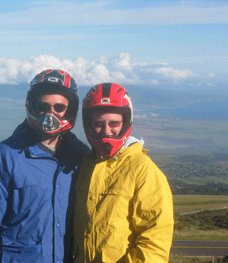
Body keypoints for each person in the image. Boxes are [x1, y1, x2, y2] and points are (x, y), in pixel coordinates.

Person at [0, 69, 90, 263]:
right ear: (31, 105)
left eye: (59, 107)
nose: (51, 114)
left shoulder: (80, 155)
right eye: (43, 106)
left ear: (70, 109)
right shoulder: (6, 155)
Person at [72, 83, 174, 262]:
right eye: (98, 123)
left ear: (126, 122)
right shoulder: (86, 164)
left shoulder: (143, 170)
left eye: (115, 123)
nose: (106, 130)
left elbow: (155, 242)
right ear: (88, 124)